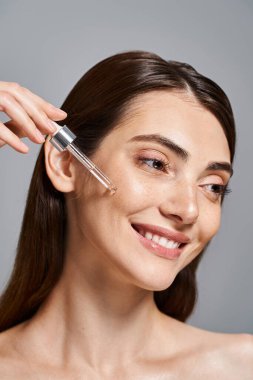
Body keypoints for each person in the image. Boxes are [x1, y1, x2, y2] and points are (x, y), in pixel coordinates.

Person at [0, 50, 252, 379]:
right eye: (155, 163)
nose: (189, 210)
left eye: (213, 187)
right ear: (66, 165)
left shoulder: (241, 367)